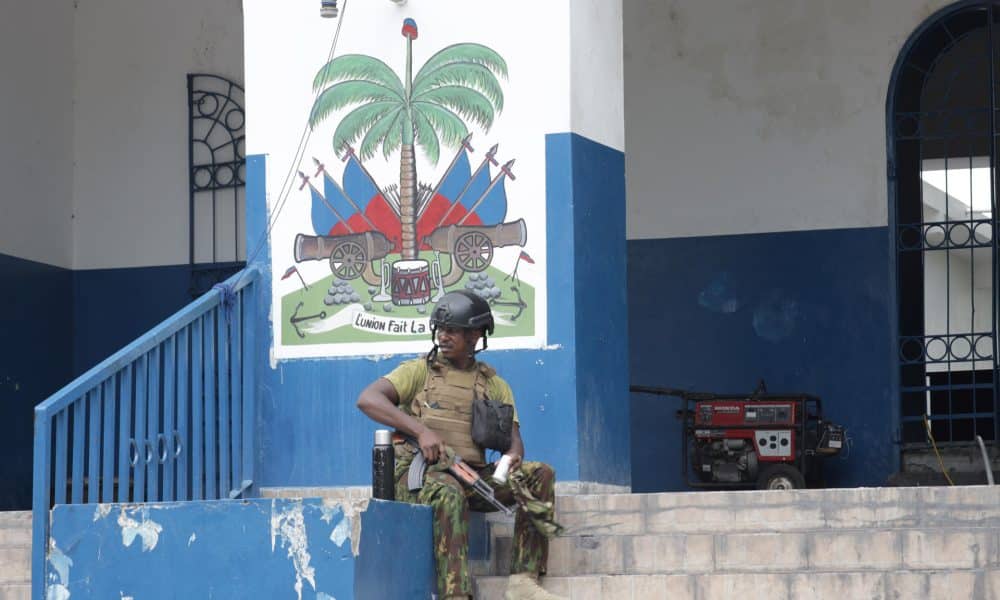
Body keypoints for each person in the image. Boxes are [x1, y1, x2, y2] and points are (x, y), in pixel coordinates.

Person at [356, 290, 563, 600]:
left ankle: (523, 582)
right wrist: (420, 430)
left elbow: (514, 444)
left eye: (452, 330)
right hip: (419, 476)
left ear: (476, 334)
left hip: (471, 475)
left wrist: (509, 463)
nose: (443, 336)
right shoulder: (419, 371)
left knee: (539, 474)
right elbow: (368, 399)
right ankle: (456, 594)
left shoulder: (493, 384)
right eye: (440, 329)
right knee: (449, 493)